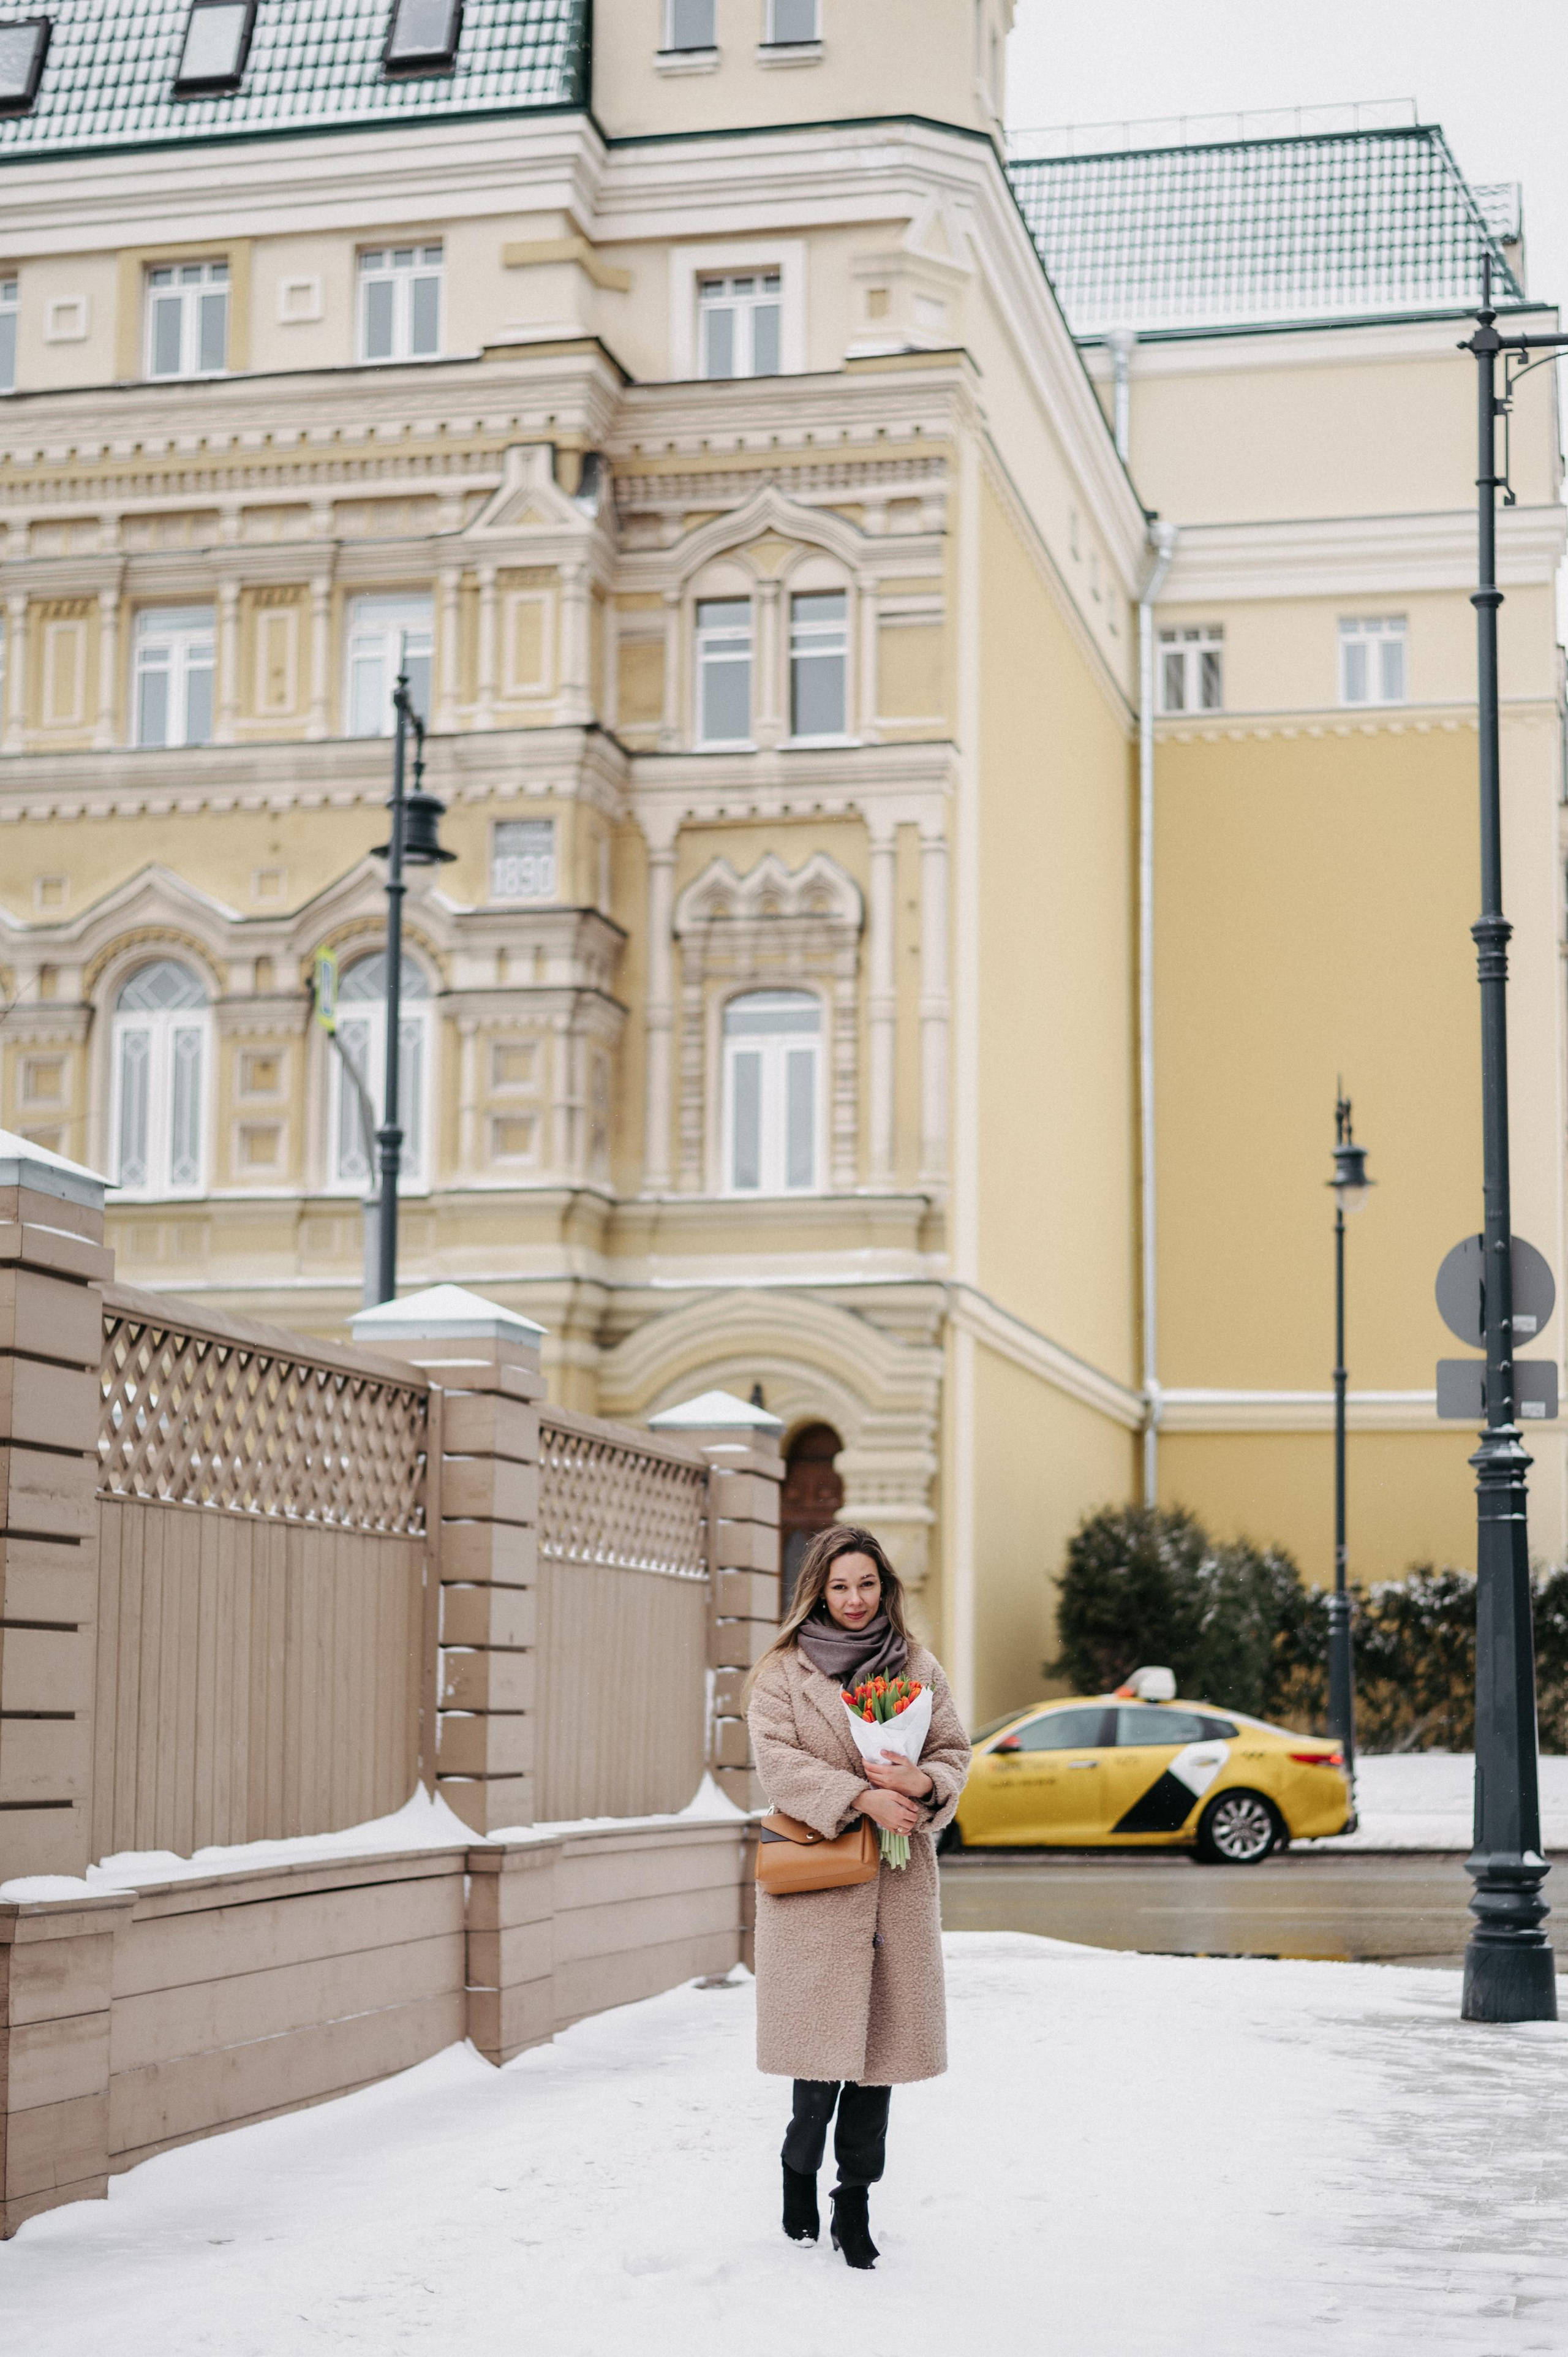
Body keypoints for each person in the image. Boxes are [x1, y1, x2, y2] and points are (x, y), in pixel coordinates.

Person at [746, 1522, 970, 2269]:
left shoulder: (916, 1665)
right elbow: (776, 1766)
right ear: (818, 1588)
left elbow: (951, 1751)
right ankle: (798, 2167)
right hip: (818, 1887)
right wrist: (859, 1798)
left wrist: (921, 1783)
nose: (853, 1598)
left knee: (879, 2062)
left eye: (866, 1584)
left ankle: (856, 2201)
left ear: (885, 1589)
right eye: (839, 1585)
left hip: (896, 1891)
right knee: (817, 2060)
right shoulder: (782, 1672)